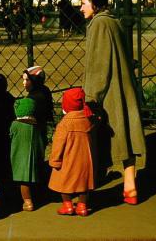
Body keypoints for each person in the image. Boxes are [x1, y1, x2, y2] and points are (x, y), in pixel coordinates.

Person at [80, 0, 146, 205]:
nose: (81, 8)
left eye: (84, 3)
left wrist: (91, 96)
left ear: (94, 4)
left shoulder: (98, 24)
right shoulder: (114, 21)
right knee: (125, 136)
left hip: (110, 93)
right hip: (123, 86)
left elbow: (99, 64)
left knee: (102, 138)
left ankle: (89, 191)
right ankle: (131, 187)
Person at [49, 88, 95, 217]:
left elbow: (58, 144)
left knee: (62, 180)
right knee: (84, 182)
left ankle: (67, 205)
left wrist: (55, 160)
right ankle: (82, 206)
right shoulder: (87, 120)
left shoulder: (64, 124)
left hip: (68, 159)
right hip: (86, 160)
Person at [9, 98, 45, 212]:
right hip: (34, 157)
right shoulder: (36, 125)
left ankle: (28, 202)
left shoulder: (15, 124)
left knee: (24, 181)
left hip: (20, 158)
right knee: (30, 179)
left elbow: (9, 137)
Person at [23, 66, 54, 148]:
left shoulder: (33, 98)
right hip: (43, 129)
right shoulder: (45, 90)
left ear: (35, 81)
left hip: (34, 133)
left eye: (27, 80)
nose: (23, 83)